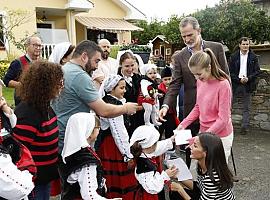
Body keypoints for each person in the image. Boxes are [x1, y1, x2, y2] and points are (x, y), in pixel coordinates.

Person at [159, 16, 229, 167]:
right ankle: (193, 189)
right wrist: (165, 105)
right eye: (183, 36)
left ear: (199, 31)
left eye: (190, 35)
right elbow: (174, 84)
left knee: (213, 161)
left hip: (216, 115)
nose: (187, 39)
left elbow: (226, 78)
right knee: (191, 155)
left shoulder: (216, 48)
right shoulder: (180, 56)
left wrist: (225, 112)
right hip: (191, 111)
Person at [51, 40, 139, 153]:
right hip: (71, 139)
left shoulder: (64, 69)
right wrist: (125, 108)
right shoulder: (80, 76)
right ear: (84, 56)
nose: (97, 67)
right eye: (96, 61)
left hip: (59, 132)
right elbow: (104, 110)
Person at [12, 61, 64, 200]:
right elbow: (19, 153)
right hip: (32, 183)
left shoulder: (45, 106)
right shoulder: (27, 114)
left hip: (44, 178)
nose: (61, 87)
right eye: (58, 83)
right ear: (45, 85)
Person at [177, 49, 233, 162]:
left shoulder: (223, 84)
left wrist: (202, 138)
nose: (197, 78)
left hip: (220, 136)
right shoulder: (200, 81)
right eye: (194, 75)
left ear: (209, 67)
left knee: (217, 171)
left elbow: (223, 119)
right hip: (203, 132)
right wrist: (182, 125)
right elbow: (198, 107)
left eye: (199, 74)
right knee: (199, 168)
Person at [58, 112, 121, 200]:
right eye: (97, 128)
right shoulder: (86, 161)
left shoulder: (70, 152)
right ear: (88, 130)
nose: (99, 131)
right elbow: (89, 195)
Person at [95, 75, 137, 200]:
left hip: (107, 144)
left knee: (108, 176)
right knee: (118, 177)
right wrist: (127, 155)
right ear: (111, 89)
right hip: (112, 146)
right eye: (121, 88)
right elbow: (118, 132)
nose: (124, 90)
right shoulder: (113, 105)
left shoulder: (105, 101)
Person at [170, 133, 235, 200]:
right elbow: (199, 187)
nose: (190, 147)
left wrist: (180, 190)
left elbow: (203, 187)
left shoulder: (213, 178)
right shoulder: (204, 165)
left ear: (205, 153)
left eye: (195, 146)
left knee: (178, 192)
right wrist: (178, 176)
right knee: (175, 192)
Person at [130, 125, 178, 200]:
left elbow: (158, 148)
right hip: (148, 196)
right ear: (150, 146)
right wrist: (165, 175)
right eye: (155, 143)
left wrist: (171, 140)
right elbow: (151, 188)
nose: (157, 144)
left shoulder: (143, 152)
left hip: (151, 188)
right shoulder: (144, 166)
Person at [229, 37, 260, 135]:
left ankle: (244, 127)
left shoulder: (253, 57)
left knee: (246, 107)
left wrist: (248, 78)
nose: (246, 46)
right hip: (235, 84)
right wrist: (238, 79)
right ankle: (227, 126)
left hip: (248, 85)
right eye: (244, 44)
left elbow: (257, 71)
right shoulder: (234, 57)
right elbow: (230, 71)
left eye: (247, 44)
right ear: (239, 45)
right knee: (228, 106)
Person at [3, 35, 42, 106]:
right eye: (35, 45)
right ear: (27, 46)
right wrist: (21, 86)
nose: (38, 48)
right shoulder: (18, 63)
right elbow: (6, 80)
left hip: (39, 102)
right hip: (23, 103)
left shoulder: (41, 63)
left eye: (39, 46)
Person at [117, 51, 144, 136]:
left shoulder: (138, 78)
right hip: (125, 118)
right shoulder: (116, 80)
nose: (130, 69)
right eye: (127, 66)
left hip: (139, 117)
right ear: (121, 65)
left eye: (132, 65)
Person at [158, 67, 180, 154]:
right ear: (161, 79)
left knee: (170, 132)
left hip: (171, 114)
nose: (167, 81)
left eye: (169, 79)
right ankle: (157, 148)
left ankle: (170, 150)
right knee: (159, 132)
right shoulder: (159, 89)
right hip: (161, 114)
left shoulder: (174, 88)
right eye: (165, 79)